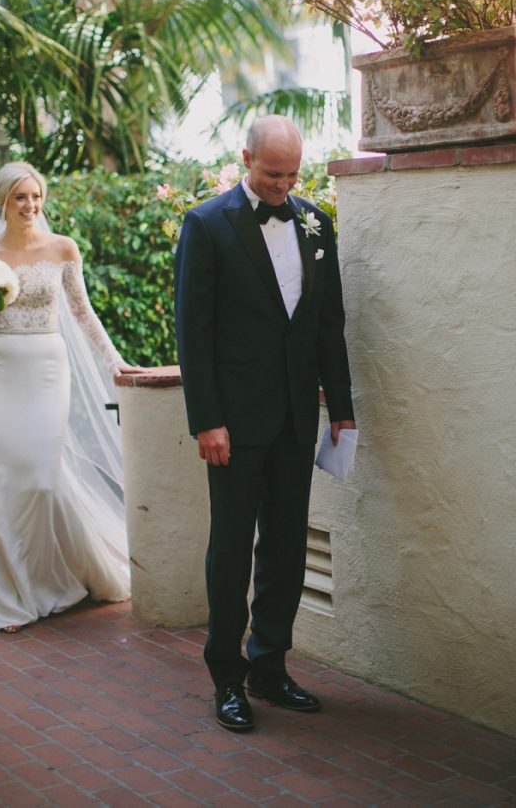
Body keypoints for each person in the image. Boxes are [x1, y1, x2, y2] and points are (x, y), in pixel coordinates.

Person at [174, 115, 355, 731]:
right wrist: (207, 420)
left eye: (293, 175)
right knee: (231, 551)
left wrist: (344, 412)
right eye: (272, 173)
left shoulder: (315, 222)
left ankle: (270, 666)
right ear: (245, 157)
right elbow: (192, 334)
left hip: (295, 418)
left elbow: (328, 325)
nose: (283, 185)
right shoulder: (205, 225)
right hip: (233, 424)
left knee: (285, 546)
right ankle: (227, 678)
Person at [0, 161, 141, 632]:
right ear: (3, 203)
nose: (30, 206)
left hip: (48, 369)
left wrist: (114, 361)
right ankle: (12, 593)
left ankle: (56, 578)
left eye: (36, 197)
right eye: (20, 198)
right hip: (1, 368)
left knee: (44, 479)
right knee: (8, 474)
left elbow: (82, 311)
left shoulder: (62, 248)